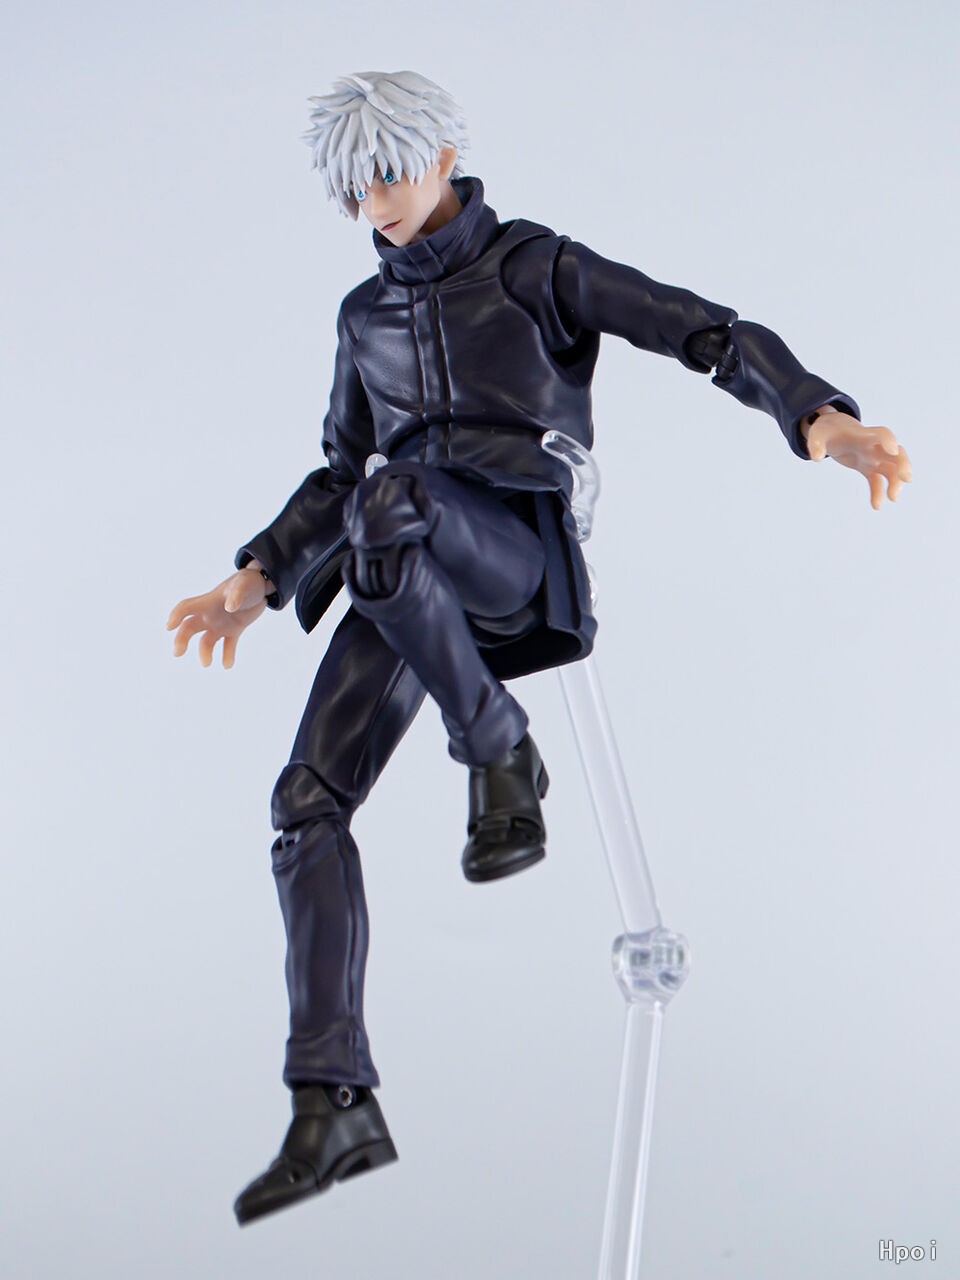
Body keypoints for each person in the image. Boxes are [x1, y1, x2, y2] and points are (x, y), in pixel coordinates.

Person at [167, 70, 911, 1225]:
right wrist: (256, 577)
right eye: (354, 188)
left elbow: (700, 329)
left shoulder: (535, 267)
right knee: (303, 803)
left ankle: (498, 747)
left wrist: (815, 413)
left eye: (390, 172)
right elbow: (338, 469)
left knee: (396, 497)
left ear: (443, 153)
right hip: (397, 566)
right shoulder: (362, 318)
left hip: (512, 553)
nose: (376, 204)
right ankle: (334, 1099)